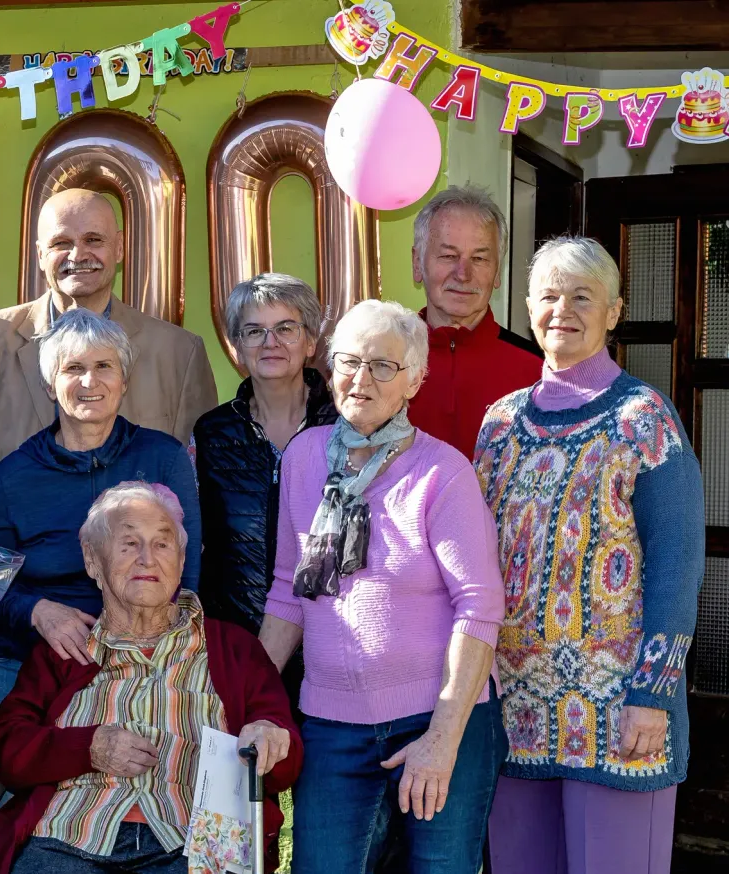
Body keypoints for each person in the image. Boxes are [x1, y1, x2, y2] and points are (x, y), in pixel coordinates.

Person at [476, 237, 704, 874]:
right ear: (527, 307)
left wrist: (654, 695)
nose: (562, 309)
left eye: (583, 296)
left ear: (614, 311)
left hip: (622, 711)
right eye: (549, 295)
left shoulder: (645, 417)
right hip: (514, 707)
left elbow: (679, 558)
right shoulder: (498, 424)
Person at [258, 299, 507, 873]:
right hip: (330, 724)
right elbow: (286, 593)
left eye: (382, 366)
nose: (361, 379)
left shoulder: (443, 474)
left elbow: (480, 607)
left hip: (440, 720)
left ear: (414, 379)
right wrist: (253, 696)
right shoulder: (303, 457)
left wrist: (442, 741)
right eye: (348, 361)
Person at [0, 482, 303, 874]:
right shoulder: (64, 651)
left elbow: (283, 763)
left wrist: (271, 738)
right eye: (128, 543)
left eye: (163, 544)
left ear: (182, 561)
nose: (147, 559)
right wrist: (88, 747)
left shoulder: (234, 648)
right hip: (69, 838)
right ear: (93, 561)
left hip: (191, 846)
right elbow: (2, 747)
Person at [0, 309, 201, 743]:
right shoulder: (12, 477)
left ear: (124, 380)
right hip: (19, 666)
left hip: (139, 663)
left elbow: (187, 571)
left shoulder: (164, 460)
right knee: (25, 804)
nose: (90, 382)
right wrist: (37, 611)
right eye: (73, 368)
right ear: (49, 385)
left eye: (103, 366)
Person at [0, 188, 218, 479]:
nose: (78, 255)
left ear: (119, 247)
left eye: (93, 240)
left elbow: (199, 481)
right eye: (61, 242)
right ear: (40, 254)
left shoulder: (180, 353)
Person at [192, 273, 337, 716]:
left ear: (311, 341)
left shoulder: (345, 427)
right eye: (254, 331)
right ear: (236, 346)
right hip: (235, 645)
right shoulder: (213, 434)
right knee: (244, 780)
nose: (270, 342)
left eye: (286, 328)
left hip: (328, 647)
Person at [406, 186, 541, 460]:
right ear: (417, 264)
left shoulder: (538, 372)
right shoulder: (380, 364)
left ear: (498, 271)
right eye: (448, 256)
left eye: (479, 258)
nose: (463, 274)